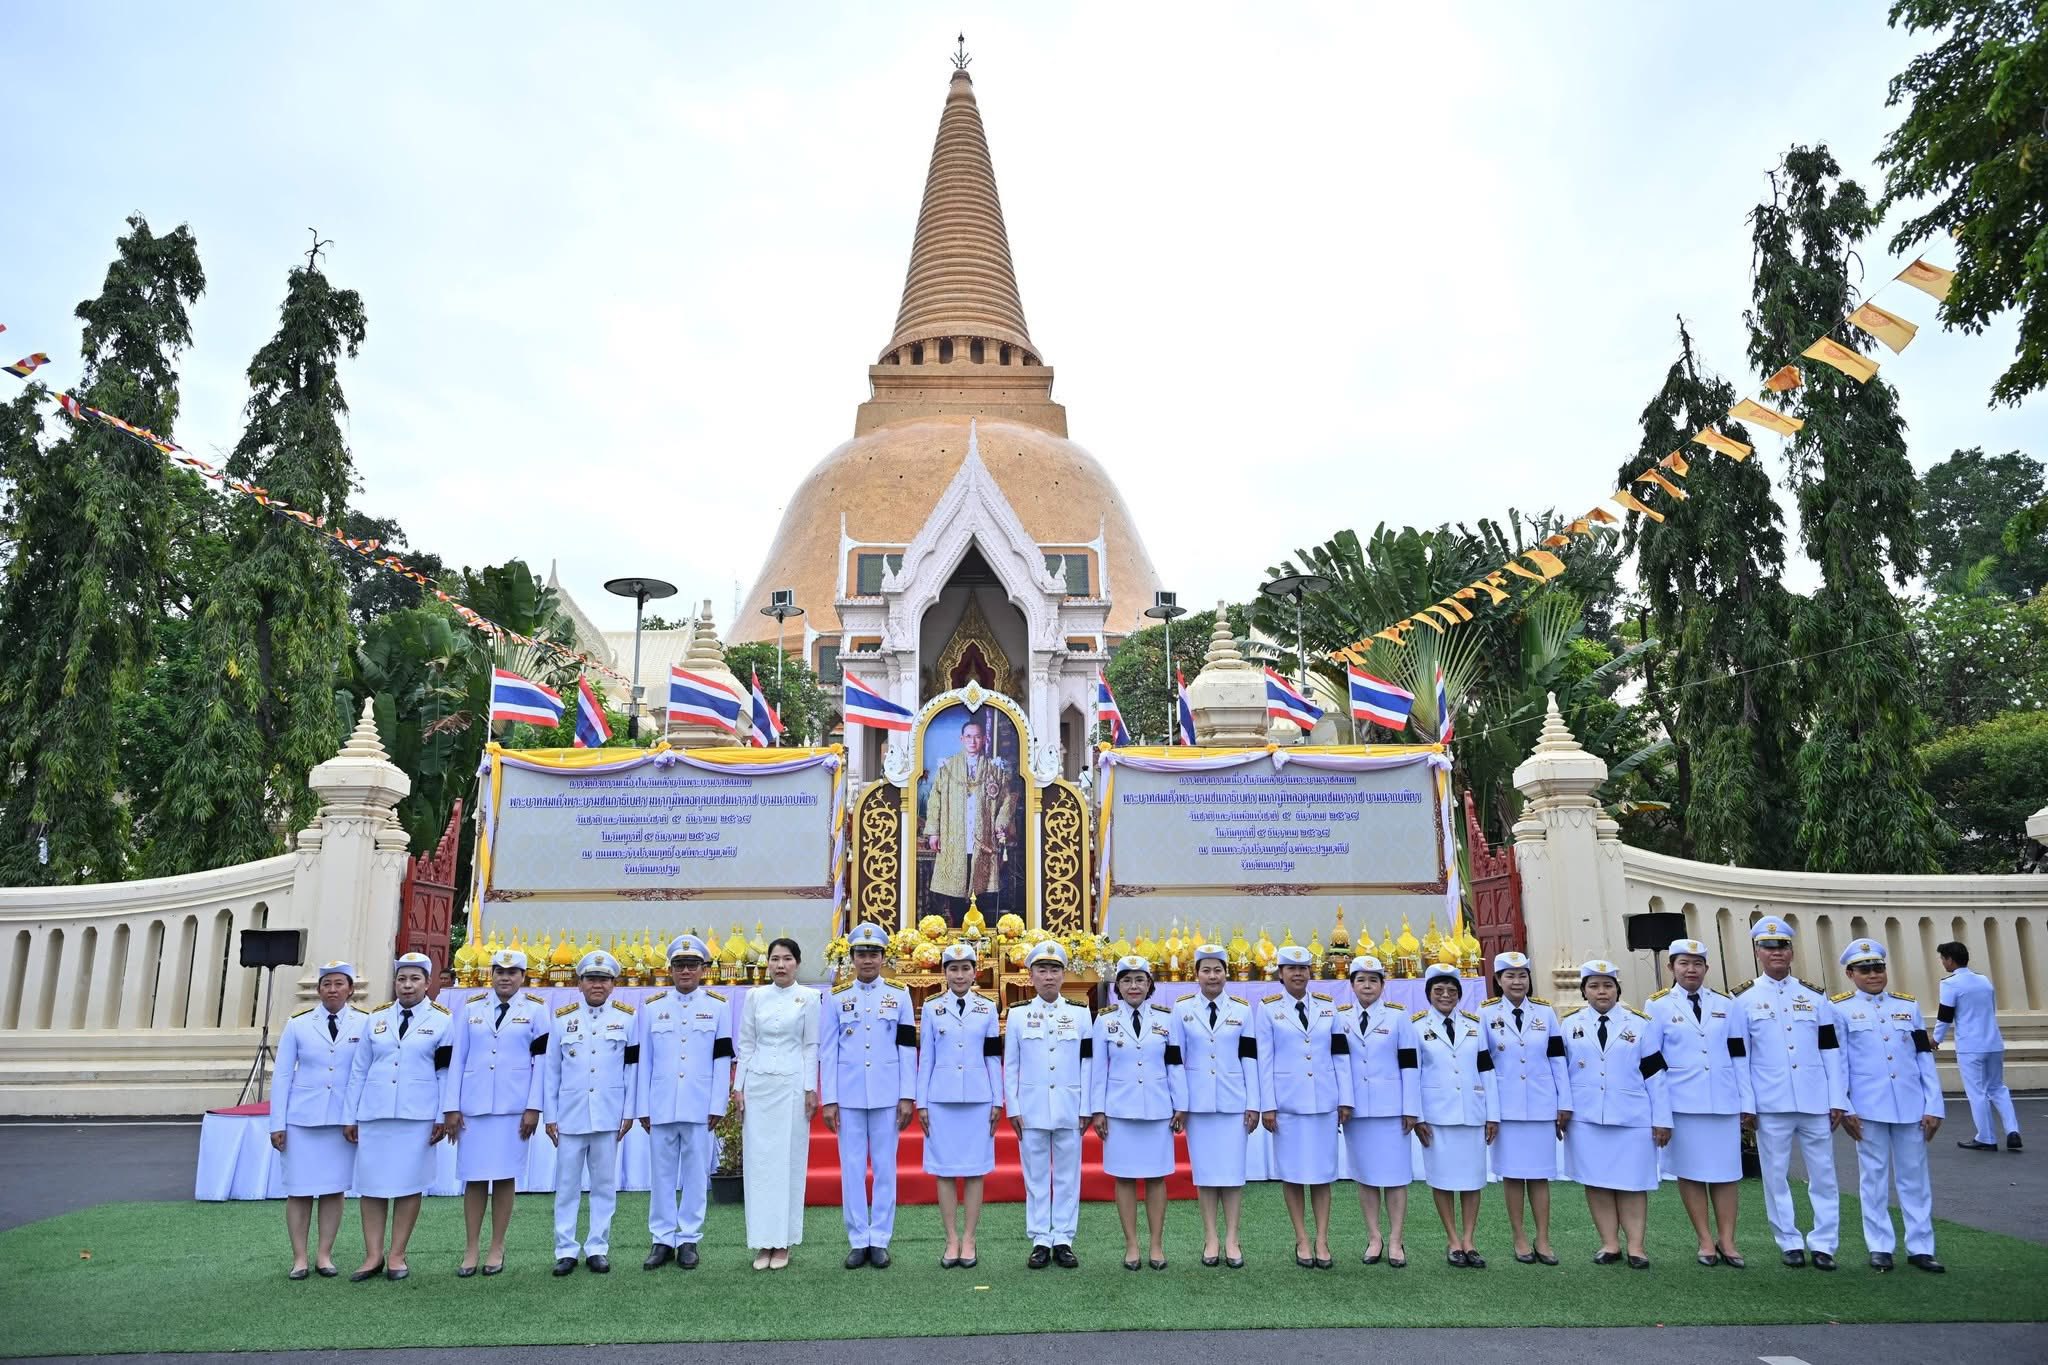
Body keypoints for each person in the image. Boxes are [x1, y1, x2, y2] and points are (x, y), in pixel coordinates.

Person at [1735, 916, 1847, 1270]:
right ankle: (1788, 1240)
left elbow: (1831, 1049)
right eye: (1768, 947)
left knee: (1824, 1174)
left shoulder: (1814, 996)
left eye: (1781, 946)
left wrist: (1837, 1098)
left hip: (1814, 1099)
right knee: (1775, 1174)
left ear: (1792, 951)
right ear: (1757, 952)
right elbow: (1741, 1056)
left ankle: (1825, 1242)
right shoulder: (1743, 999)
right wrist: (1747, 1103)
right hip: (1771, 1101)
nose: (1776, 953)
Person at [1834, 938, 1945, 1272]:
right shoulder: (1838, 1009)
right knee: (1874, 1178)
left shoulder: (1907, 1007)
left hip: (1910, 1104)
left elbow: (1924, 1057)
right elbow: (1838, 1063)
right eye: (1865, 969)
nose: (1873, 974)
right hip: (1868, 1107)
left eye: (1878, 968)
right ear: (1850, 973)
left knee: (1915, 1178)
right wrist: (1845, 1107)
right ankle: (1880, 1245)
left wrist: (1934, 1104)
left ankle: (1921, 1247)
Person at [341, 951, 452, 1282]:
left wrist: (440, 1116)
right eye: (402, 978)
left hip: (417, 1114)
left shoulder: (442, 1020)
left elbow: (444, 1072)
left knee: (409, 1184)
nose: (407, 985)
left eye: (415, 979)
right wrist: (351, 1115)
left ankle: (398, 1254)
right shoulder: (374, 1019)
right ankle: (372, 1254)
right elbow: (359, 1070)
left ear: (428, 983)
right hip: (375, 1112)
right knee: (371, 1185)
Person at [441, 947, 548, 1277]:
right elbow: (457, 1058)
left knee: (504, 1178)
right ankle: (471, 1247)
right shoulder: (471, 1009)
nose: (505, 977)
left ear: (523, 976)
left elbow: (542, 1064)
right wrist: (451, 1107)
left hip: (512, 1108)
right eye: (499, 971)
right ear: (491, 975)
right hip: (473, 1106)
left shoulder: (537, 1011)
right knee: (473, 1179)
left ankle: (496, 1246)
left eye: (512, 972)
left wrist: (533, 1107)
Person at [1646, 937, 1751, 1268]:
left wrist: (1747, 1102)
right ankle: (1705, 1239)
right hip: (1683, 1102)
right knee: (1690, 1173)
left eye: (1697, 964)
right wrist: (1661, 1114)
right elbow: (1652, 1063)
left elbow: (1739, 1053)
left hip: (1723, 1100)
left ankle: (1728, 1239)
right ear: (1671, 968)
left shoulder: (1727, 1004)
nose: (1691, 970)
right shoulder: (1657, 1005)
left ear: (1706, 968)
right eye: (1683, 964)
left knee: (1727, 1173)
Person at [1561, 959, 1672, 1269]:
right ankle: (1609, 1244)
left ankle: (1636, 1247)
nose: (1601, 992)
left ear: (1617, 990)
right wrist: (1564, 1111)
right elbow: (1561, 1073)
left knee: (1633, 1182)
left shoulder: (1640, 1024)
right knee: (1596, 1181)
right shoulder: (1569, 1025)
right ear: (1584, 991)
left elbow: (1655, 1075)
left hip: (1632, 1118)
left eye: (1608, 985)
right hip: (1586, 1117)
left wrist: (1662, 1119)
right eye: (1594, 986)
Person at [821, 922, 917, 1269]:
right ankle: (858, 1238)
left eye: (873, 953)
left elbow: (907, 1048)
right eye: (861, 954)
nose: (867, 960)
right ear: (852, 958)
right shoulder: (836, 998)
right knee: (851, 1168)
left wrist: (908, 1095)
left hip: (887, 1093)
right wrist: (828, 1099)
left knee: (886, 1168)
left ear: (882, 957)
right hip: (847, 1094)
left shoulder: (900, 994)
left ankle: (880, 1238)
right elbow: (828, 1051)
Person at [635, 933, 733, 1272]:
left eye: (692, 965)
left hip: (698, 1102)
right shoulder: (651, 1007)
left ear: (703, 969)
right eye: (679, 965)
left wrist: (717, 1104)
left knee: (695, 1173)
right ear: (670, 969)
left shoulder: (719, 1007)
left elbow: (722, 1058)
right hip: (661, 1103)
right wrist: (642, 1108)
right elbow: (642, 1061)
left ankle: (689, 1237)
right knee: (661, 1175)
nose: (686, 971)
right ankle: (661, 1238)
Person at [1256, 942, 1353, 1270]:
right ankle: (1301, 1238)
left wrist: (1345, 1098)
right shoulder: (1268, 1009)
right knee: (1294, 1175)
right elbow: (1264, 1060)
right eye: (1291, 969)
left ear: (1311, 972)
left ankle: (1322, 1238)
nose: (1298, 974)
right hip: (1287, 1105)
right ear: (1280, 974)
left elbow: (1340, 1054)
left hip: (1324, 1101)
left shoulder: (1329, 1007)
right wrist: (1267, 1105)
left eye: (1303, 969)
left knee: (1323, 1175)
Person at [269, 960, 367, 1280]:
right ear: (318, 990)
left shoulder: (365, 1023)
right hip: (302, 1120)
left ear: (351, 989)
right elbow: (282, 1076)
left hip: (342, 1121)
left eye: (340, 984)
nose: (333, 989)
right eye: (327, 984)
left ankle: (324, 1254)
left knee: (332, 1189)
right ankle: (299, 1258)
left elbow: (363, 1073)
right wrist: (277, 1123)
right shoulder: (298, 1023)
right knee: (298, 1190)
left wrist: (357, 1118)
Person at [543, 949, 638, 1276]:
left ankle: (598, 1247)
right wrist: (549, 1115)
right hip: (570, 1114)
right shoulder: (561, 1018)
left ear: (614, 984)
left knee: (603, 1185)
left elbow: (632, 1070)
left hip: (608, 1114)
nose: (597, 985)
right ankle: (565, 1249)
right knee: (567, 1185)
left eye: (604, 979)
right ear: (579, 983)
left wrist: (629, 1111)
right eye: (591, 979)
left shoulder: (627, 1018)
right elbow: (551, 1071)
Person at [1091, 954, 1186, 1271]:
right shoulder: (1104, 1021)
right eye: (1127, 980)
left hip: (1158, 1108)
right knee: (1125, 1179)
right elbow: (1097, 1070)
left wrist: (1180, 1104)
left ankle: (1156, 1244)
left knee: (1157, 1178)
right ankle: (1132, 1244)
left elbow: (1175, 1063)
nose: (1134, 986)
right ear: (1117, 986)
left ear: (1150, 985)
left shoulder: (1166, 1019)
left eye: (1140, 980)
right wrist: (1098, 1110)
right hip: (1120, 1109)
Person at [1169, 943, 1259, 1268]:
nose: (1212, 976)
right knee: (1205, 1175)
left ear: (1226, 974)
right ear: (1196, 975)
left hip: (1234, 1101)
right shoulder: (1181, 1010)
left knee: (1233, 1174)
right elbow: (1175, 1060)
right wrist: (1180, 1103)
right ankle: (1211, 1237)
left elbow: (1250, 1057)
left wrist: (1254, 1103)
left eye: (1217, 970)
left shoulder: (1242, 1010)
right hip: (1198, 1104)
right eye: (1205, 970)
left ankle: (1233, 1238)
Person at [1005, 940, 1092, 1269]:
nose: (1049, 976)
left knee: (1069, 1176)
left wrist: (1087, 1107)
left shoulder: (1081, 1014)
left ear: (1063, 974)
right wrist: (1013, 1107)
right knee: (1036, 1176)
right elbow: (1010, 1065)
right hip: (1032, 1108)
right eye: (1042, 970)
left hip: (1070, 1106)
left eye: (1055, 970)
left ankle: (1064, 1238)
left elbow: (1089, 1065)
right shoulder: (1017, 1015)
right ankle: (1040, 1238)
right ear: (1031, 975)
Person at [1478, 950, 1569, 1266]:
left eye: (1522, 975)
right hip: (1507, 1107)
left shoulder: (1545, 1014)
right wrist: (1490, 1110)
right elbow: (1484, 1066)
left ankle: (1543, 1238)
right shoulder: (1486, 1014)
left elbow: (1558, 1060)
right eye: (1510, 976)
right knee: (1513, 1176)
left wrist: (1564, 1103)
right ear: (1498, 980)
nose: (1517, 982)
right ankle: (1519, 1237)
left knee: (1541, 1175)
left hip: (1542, 1104)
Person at [735, 936, 819, 1271]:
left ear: (797, 963)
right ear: (767, 963)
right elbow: (746, 1043)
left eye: (786, 959)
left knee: (787, 1162)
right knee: (759, 1165)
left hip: (791, 1086)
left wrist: (810, 1089)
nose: (780, 965)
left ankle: (782, 1242)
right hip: (758, 1085)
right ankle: (762, 1242)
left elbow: (810, 1046)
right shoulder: (754, 997)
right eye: (774, 959)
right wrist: (739, 1086)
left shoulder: (809, 998)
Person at [917, 942, 1002, 1269]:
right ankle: (951, 1237)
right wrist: (921, 1101)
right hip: (941, 1099)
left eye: (966, 968)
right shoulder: (931, 1007)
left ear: (975, 971)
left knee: (976, 1168)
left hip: (979, 1098)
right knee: (945, 1169)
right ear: (944, 972)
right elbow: (927, 1058)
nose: (960, 974)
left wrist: (999, 1097)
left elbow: (994, 1056)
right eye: (953, 968)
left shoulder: (987, 1008)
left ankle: (969, 1237)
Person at [1409, 961, 1496, 1268]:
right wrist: (1417, 1116)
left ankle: (1470, 1239)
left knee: (1473, 1180)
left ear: (1459, 995)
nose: (1445, 995)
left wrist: (1493, 1115)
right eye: (1438, 990)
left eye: (1451, 990)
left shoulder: (1475, 1025)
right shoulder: (1416, 1026)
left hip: (1472, 1112)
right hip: (1436, 1115)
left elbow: (1486, 1070)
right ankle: (1452, 1240)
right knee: (1443, 1180)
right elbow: (1413, 1074)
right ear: (1429, 994)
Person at [1341, 952, 1420, 1269]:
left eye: (1374, 980)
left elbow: (1410, 1064)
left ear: (1383, 985)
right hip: (1357, 1110)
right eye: (1361, 980)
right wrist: (1342, 1102)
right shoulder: (1340, 1018)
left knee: (1396, 1177)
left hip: (1392, 1108)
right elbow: (1339, 1064)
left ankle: (1397, 1239)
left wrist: (1411, 1108)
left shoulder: (1399, 1017)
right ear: (1352, 985)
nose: (1367, 985)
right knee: (1366, 1177)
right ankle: (1374, 1237)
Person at [923, 719, 1018, 921]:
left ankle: (981, 938)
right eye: (968, 736)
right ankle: (957, 934)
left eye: (977, 736)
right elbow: (935, 800)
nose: (972, 741)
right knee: (956, 893)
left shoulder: (994, 771)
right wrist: (933, 832)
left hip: (982, 840)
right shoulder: (947, 769)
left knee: (982, 892)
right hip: (954, 839)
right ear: (962, 739)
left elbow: (1008, 799)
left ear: (984, 739)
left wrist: (1001, 824)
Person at [1933, 941, 2021, 1152]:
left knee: (1977, 1092)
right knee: (1998, 1088)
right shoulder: (1984, 981)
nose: (1943, 963)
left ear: (1950, 960)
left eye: (1943, 959)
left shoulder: (1950, 984)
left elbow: (1945, 1016)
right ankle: (2012, 1130)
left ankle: (1986, 1137)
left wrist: (1936, 1039)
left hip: (1971, 1045)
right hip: (1994, 1042)